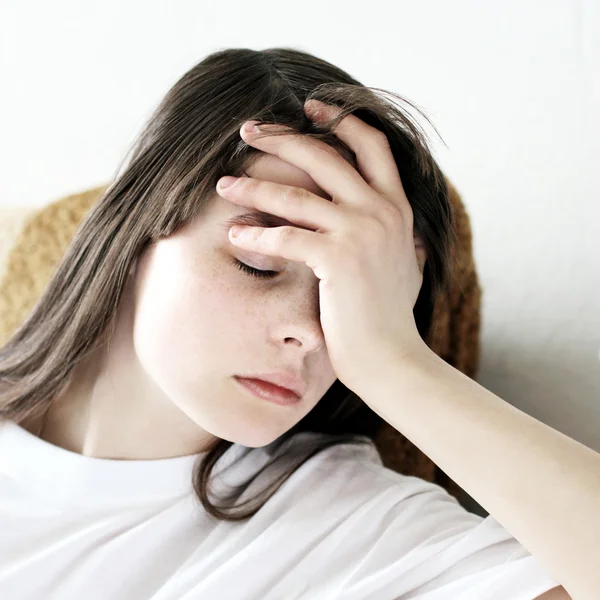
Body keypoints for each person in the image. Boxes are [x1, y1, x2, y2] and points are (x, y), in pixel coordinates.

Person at [0, 46, 587, 599]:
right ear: (138, 231)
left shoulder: (358, 531)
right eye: (260, 266)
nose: (310, 332)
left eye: (354, 305)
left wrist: (393, 363)